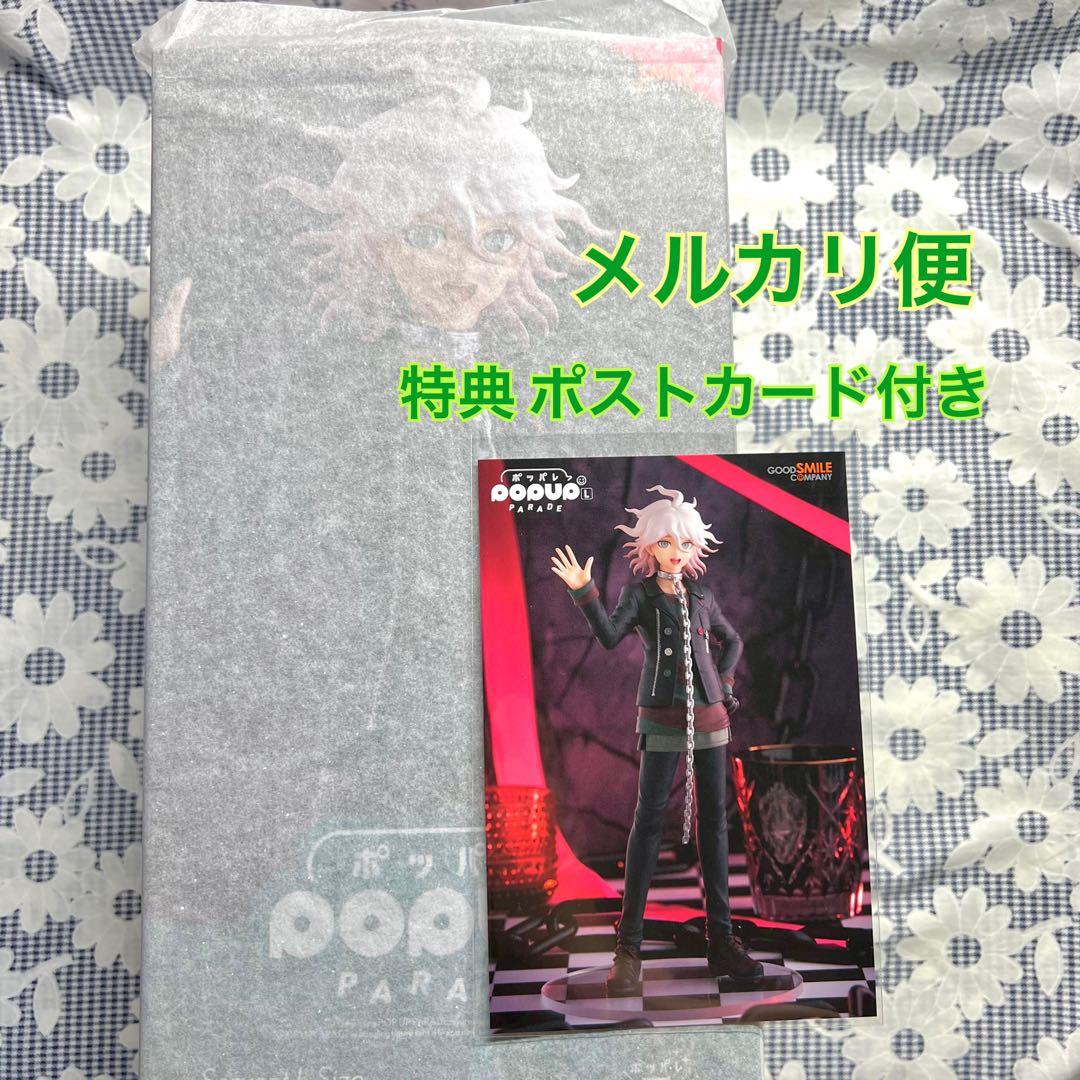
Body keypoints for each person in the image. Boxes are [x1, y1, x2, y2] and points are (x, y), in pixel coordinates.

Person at [551, 484, 763, 995]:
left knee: (715, 826)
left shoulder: (702, 596)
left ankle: (721, 940)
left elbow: (732, 640)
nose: (676, 552)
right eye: (666, 542)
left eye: (685, 544)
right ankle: (628, 950)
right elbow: (608, 636)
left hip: (710, 717)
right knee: (647, 825)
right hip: (662, 718)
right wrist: (585, 591)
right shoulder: (639, 595)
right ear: (649, 545)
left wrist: (725, 683)